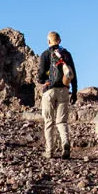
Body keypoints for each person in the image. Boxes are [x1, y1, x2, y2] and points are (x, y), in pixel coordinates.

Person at [36, 31, 78, 159]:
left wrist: (44, 81)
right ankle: (65, 143)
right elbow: (73, 74)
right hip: (64, 91)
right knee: (62, 121)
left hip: (49, 91)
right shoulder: (66, 54)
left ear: (49, 41)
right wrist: (74, 92)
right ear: (59, 41)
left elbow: (40, 76)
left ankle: (50, 151)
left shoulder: (45, 54)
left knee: (49, 121)